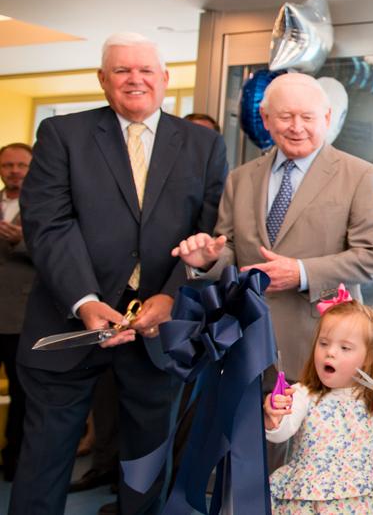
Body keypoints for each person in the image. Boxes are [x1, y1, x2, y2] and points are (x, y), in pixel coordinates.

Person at [10, 32, 227, 514]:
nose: (136, 80)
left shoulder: (204, 144)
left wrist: (171, 297)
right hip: (68, 325)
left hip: (158, 331)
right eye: (123, 70)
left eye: (146, 70)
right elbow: (49, 223)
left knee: (147, 470)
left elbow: (208, 231)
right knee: (42, 465)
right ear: (103, 80)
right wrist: (84, 300)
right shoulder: (62, 134)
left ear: (165, 79)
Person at [172, 72, 373, 377]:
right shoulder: (241, 178)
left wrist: (300, 273)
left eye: (307, 117)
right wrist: (208, 260)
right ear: (265, 118)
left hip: (323, 347)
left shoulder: (361, 176)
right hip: (247, 344)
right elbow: (232, 250)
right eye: (286, 116)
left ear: (326, 118)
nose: (297, 127)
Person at [264, 298, 373, 514]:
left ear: (368, 358)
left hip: (363, 504)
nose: (330, 352)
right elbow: (281, 432)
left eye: (345, 347)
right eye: (324, 343)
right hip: (308, 504)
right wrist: (273, 416)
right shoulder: (304, 394)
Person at [0, 142, 34, 482]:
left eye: (21, 165)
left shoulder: (43, 204)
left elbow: (59, 257)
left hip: (20, 317)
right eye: (8, 165)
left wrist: (20, 241)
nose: (14, 171)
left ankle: (14, 463)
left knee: (22, 397)